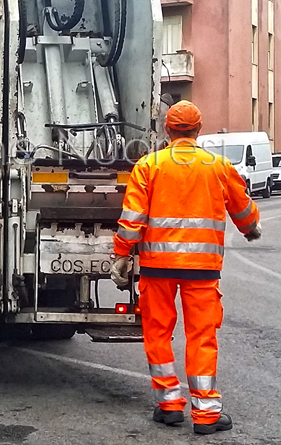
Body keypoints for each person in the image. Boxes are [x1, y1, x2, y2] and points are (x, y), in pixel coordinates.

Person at [110, 101, 261, 435]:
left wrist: (121, 254)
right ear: (199, 128)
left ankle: (169, 405)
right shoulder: (217, 166)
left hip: (157, 268)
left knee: (158, 334)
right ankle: (206, 413)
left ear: (167, 129)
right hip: (202, 270)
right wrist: (251, 229)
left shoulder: (149, 166)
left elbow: (132, 220)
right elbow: (243, 208)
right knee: (202, 337)